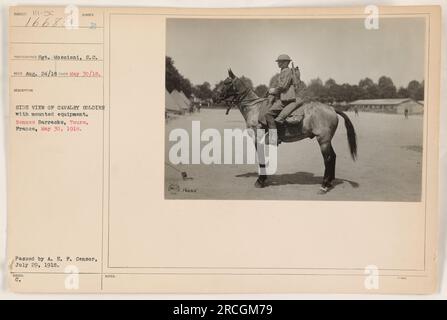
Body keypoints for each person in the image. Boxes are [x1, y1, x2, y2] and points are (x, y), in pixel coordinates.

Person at [264, 54, 306, 144]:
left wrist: (273, 90)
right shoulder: (284, 71)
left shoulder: (286, 71)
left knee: (268, 114)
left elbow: (283, 86)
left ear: (285, 62)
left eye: (280, 62)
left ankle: (274, 138)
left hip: (286, 98)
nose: (278, 63)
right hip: (284, 97)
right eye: (278, 62)